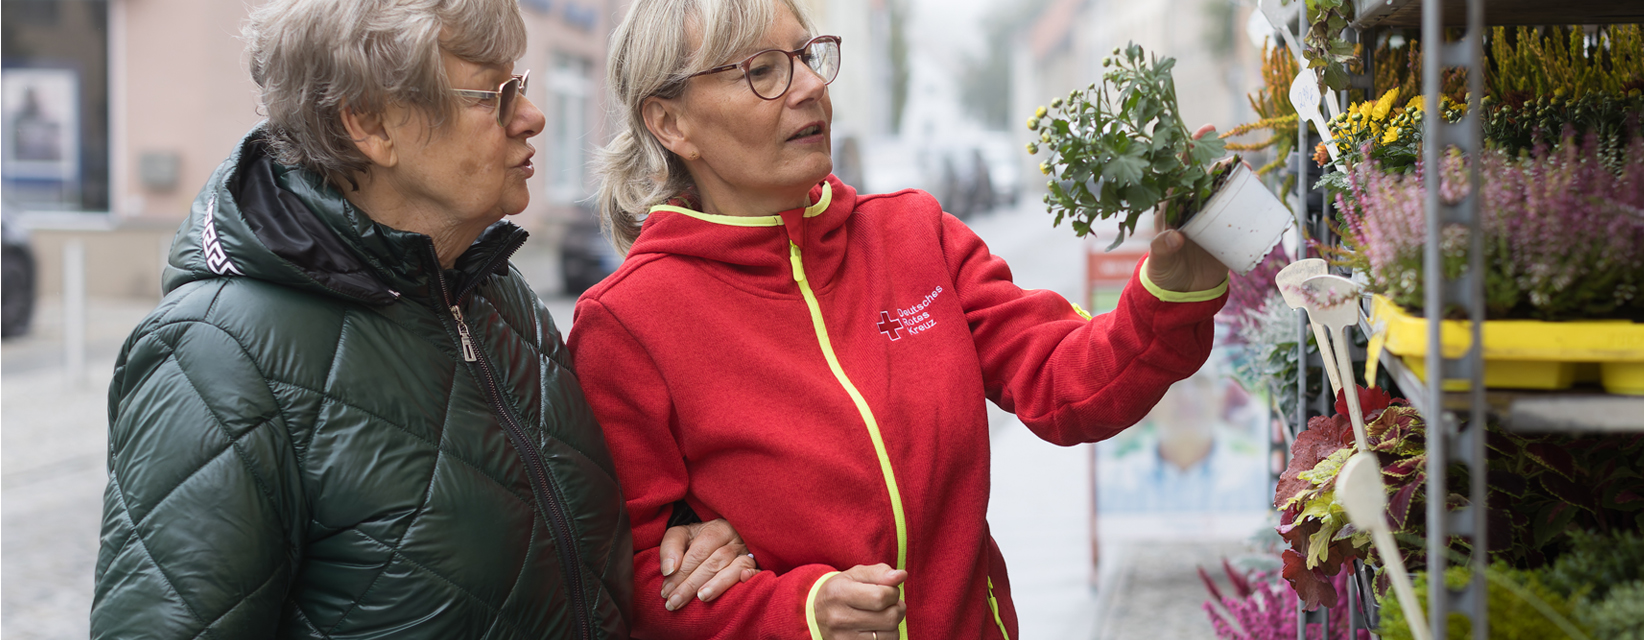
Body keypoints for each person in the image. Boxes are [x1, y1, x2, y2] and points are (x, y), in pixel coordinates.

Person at [91, 1, 755, 637]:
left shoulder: (493, 292)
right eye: (494, 94)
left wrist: (687, 530)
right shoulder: (213, 356)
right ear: (371, 124)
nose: (531, 117)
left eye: (518, 84)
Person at [569, 0, 1231, 637]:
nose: (807, 87)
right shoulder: (626, 324)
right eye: (761, 71)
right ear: (670, 122)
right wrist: (800, 612)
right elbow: (630, 582)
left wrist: (1168, 295)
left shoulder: (913, 235)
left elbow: (1065, 383)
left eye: (806, 56)